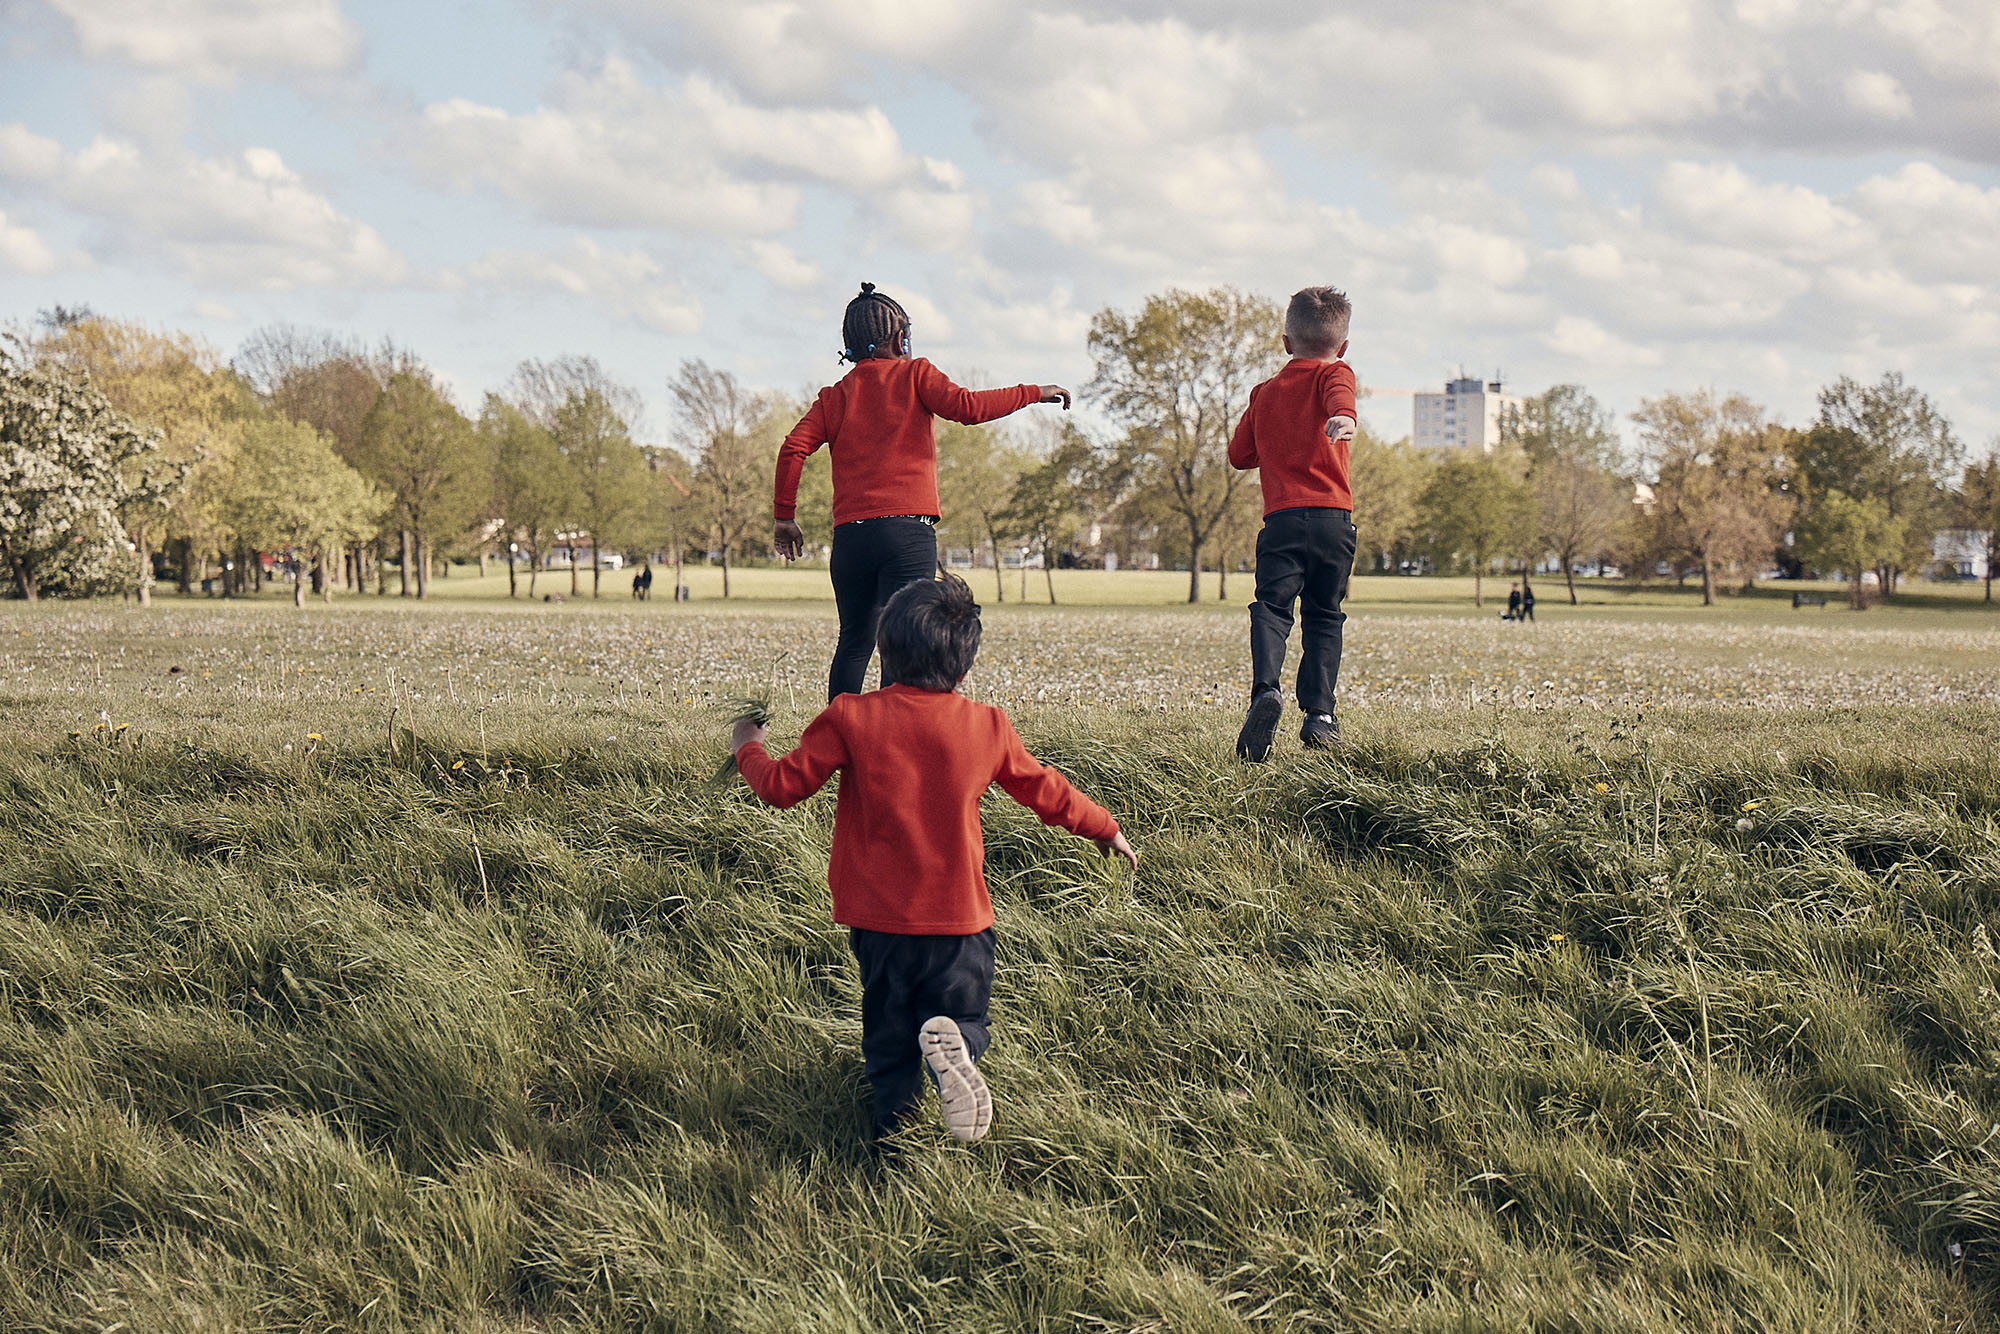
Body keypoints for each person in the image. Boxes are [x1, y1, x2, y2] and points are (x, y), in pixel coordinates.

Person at [730, 574, 1137, 1146]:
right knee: (963, 1016)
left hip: (880, 922)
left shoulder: (850, 716)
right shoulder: (987, 726)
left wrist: (747, 742)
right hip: (961, 921)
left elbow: (779, 786)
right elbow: (1044, 789)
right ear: (965, 668)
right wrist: (1104, 827)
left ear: (885, 653)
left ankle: (892, 1136)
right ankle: (959, 1050)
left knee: (890, 1036)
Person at [773, 283, 1072, 700]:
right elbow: (968, 407)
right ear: (902, 339)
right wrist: (1033, 392)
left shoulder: (834, 396)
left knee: (854, 642)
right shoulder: (916, 375)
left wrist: (785, 516)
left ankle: (836, 744)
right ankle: (889, 751)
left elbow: (793, 448)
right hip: (907, 535)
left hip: (852, 538)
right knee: (901, 643)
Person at [1226, 286, 1360, 760]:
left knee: (1271, 608)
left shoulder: (1264, 393)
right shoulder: (1337, 371)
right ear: (1341, 346)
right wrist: (1343, 417)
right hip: (1331, 520)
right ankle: (1320, 715)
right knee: (1324, 615)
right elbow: (1339, 391)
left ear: (1286, 342)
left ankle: (1265, 691)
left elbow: (1239, 455)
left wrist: (1273, 425)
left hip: (1281, 521)